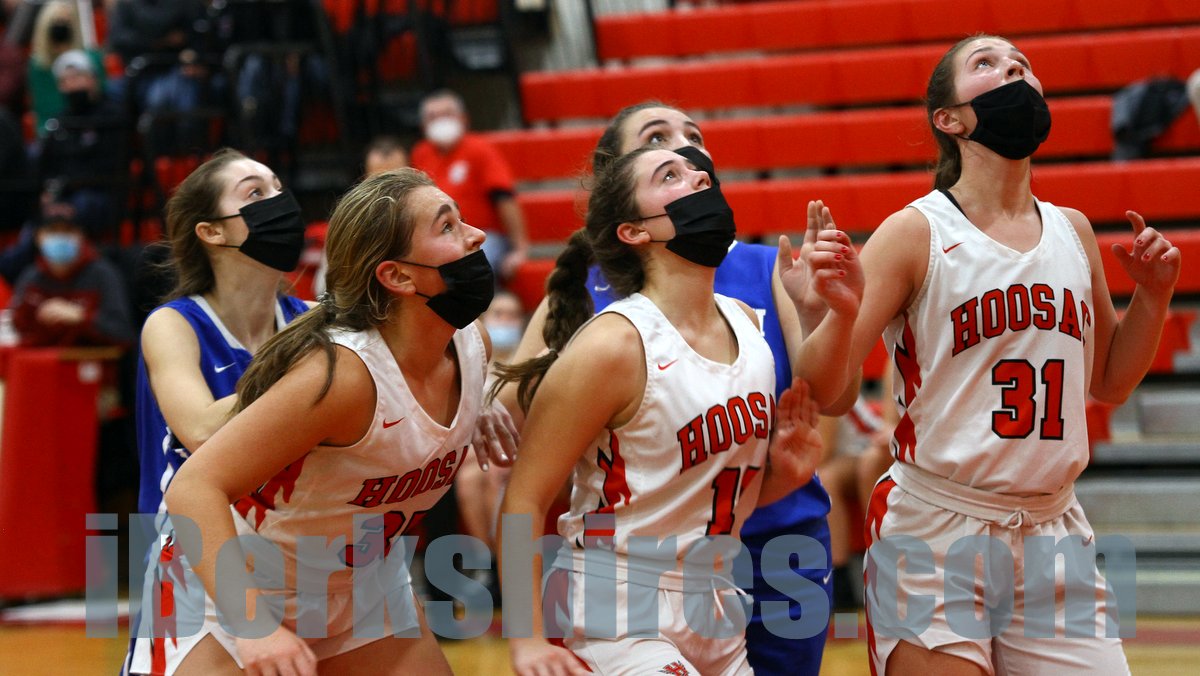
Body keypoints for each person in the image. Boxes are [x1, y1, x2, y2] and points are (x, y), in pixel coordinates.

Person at [802, 35, 1182, 674]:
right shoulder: (915, 232)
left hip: (1052, 529)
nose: (1013, 68)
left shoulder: (1073, 229)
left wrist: (1153, 296)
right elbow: (829, 394)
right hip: (937, 528)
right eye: (987, 63)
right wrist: (832, 314)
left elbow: (1112, 382)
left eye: (1021, 64)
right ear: (949, 120)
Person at [498, 101, 856, 675]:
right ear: (633, 228)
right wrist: (526, 640)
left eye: (696, 162)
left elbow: (705, 503)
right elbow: (524, 495)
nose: (694, 167)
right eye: (667, 169)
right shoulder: (612, 342)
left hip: (716, 592)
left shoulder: (748, 326)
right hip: (623, 595)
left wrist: (780, 479)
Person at [160, 167, 497, 674]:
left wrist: (484, 402)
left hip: (361, 588)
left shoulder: (473, 344)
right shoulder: (343, 376)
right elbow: (193, 488)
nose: (477, 235)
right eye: (447, 226)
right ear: (397, 276)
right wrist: (253, 624)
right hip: (244, 588)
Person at [123, 149, 312, 674]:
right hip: (194, 557)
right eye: (255, 193)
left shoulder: (308, 321)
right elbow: (202, 428)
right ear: (212, 232)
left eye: (278, 187)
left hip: (297, 554)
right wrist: (304, 369)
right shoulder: (174, 324)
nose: (279, 201)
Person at [410, 89, 530, 283]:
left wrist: (520, 248)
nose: (440, 121)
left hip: (484, 235)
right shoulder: (421, 153)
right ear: (423, 125)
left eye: (447, 114)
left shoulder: (480, 150)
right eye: (433, 117)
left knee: (471, 266)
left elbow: (504, 197)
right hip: (440, 237)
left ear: (463, 118)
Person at [7, 202, 132, 347]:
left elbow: (124, 332)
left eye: (68, 231)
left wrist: (81, 317)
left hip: (89, 358)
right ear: (38, 237)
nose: (60, 237)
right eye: (53, 231)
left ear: (81, 235)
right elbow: (13, 329)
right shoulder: (30, 277)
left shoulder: (103, 274)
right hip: (43, 358)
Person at [27, 0, 108, 136]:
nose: (62, 26)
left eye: (67, 22)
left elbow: (101, 96)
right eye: (56, 21)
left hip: (92, 124)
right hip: (56, 129)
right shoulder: (38, 66)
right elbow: (43, 110)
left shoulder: (91, 58)